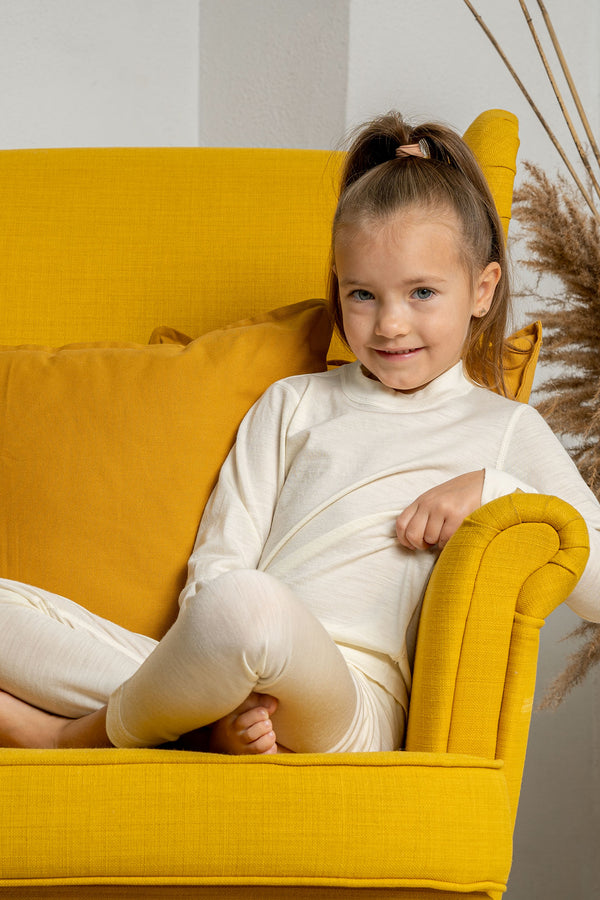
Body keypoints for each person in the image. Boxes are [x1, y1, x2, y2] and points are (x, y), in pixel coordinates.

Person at [1, 112, 600, 755]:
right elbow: (218, 564)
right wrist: (216, 670)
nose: (391, 324)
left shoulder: (505, 429)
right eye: (363, 294)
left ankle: (75, 737)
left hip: (352, 704)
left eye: (422, 292)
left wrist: (494, 492)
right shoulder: (294, 403)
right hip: (228, 657)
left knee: (251, 609)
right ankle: (207, 719)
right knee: (231, 604)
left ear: (483, 289)